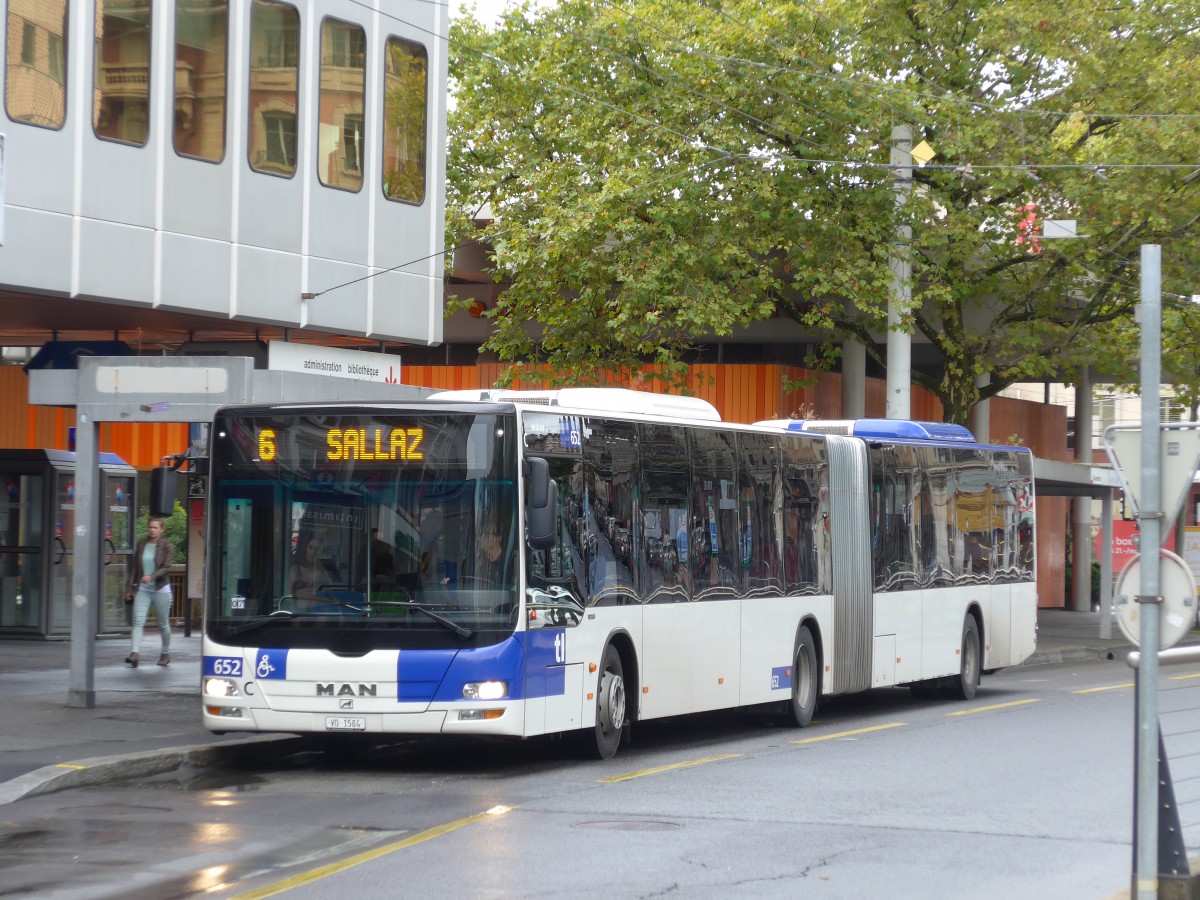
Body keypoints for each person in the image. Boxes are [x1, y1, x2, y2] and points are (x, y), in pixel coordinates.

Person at [125, 517, 175, 668]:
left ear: (161, 530)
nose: (152, 530)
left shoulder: (167, 546)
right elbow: (134, 568)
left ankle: (165, 653)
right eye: (150, 527)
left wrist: (152, 576)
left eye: (155, 528)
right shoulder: (141, 545)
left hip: (161, 589)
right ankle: (134, 653)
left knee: (163, 624)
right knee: (138, 621)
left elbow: (166, 567)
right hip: (143, 589)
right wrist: (129, 589)